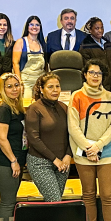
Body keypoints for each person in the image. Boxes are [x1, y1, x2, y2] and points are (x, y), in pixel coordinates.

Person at [69, 60, 111, 221]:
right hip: (84, 154)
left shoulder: (109, 96)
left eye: (99, 73)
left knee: (108, 196)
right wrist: (88, 148)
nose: (95, 76)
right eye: (92, 73)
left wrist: (99, 145)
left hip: (106, 152)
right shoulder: (76, 96)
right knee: (89, 194)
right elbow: (73, 127)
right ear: (85, 75)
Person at [25, 73, 72, 201]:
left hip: (63, 163)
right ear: (41, 89)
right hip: (40, 162)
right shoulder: (34, 109)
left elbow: (72, 133)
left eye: (57, 86)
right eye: (50, 87)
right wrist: (54, 159)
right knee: (54, 199)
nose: (55, 90)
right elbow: (34, 138)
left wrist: (68, 155)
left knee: (55, 201)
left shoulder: (64, 107)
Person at [0, 73, 27, 218]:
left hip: (16, 160)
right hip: (6, 162)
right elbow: (1, 138)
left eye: (17, 85)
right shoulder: (3, 109)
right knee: (8, 202)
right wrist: (13, 161)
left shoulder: (16, 107)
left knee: (9, 201)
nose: (14, 89)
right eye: (9, 86)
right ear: (2, 89)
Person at [80, 17, 111, 93]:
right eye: (97, 28)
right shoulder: (85, 45)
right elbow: (87, 68)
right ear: (90, 30)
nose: (100, 30)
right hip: (99, 85)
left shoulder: (107, 43)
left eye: (102, 28)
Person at [12, 15, 47, 95]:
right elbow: (15, 63)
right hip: (26, 81)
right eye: (31, 24)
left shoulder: (42, 44)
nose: (34, 27)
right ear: (27, 27)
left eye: (37, 25)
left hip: (40, 81)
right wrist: (19, 82)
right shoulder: (20, 42)